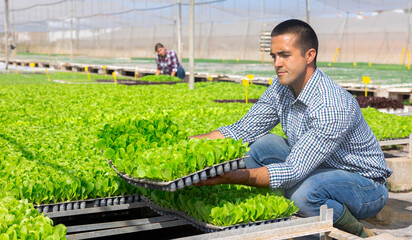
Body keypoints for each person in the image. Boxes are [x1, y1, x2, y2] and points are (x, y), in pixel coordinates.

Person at [191, 19, 392, 238]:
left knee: (303, 194)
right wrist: (191, 144)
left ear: (309, 56)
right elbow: (242, 130)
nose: (277, 63)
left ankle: (359, 232)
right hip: (318, 167)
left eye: (285, 55)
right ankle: (274, 202)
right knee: (264, 145)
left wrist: (238, 176)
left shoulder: (331, 104)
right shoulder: (281, 88)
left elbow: (294, 169)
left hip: (364, 184)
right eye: (274, 56)